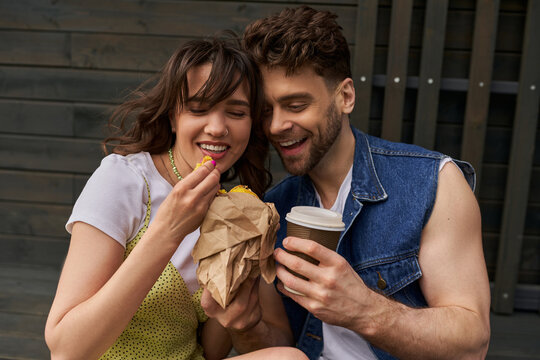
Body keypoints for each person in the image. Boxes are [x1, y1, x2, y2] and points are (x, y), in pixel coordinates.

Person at [202, 6, 491, 360]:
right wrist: (245, 325)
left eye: (296, 105)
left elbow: (472, 342)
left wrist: (364, 310)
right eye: (266, 111)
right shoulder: (273, 209)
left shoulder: (432, 183)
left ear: (346, 97)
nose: (276, 126)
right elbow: (279, 350)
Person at [44, 35, 307, 360]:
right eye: (199, 108)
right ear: (172, 116)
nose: (217, 127)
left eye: (236, 113)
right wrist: (167, 231)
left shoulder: (240, 213)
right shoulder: (125, 180)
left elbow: (211, 351)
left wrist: (237, 321)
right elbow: (66, 350)